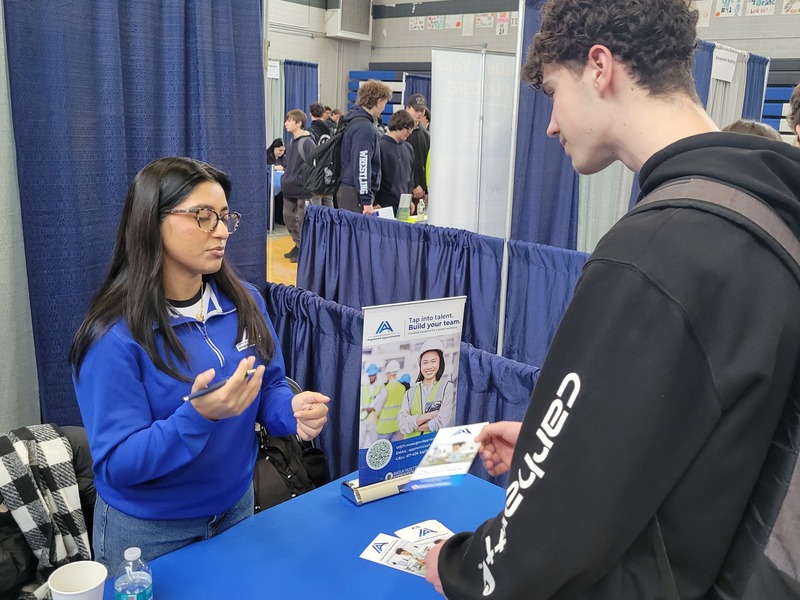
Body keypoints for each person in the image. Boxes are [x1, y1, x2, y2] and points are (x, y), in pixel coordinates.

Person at [424, 0, 800, 598]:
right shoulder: (767, 214)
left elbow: (542, 548)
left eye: (553, 90)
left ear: (599, 68)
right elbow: (712, 429)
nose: (550, 123)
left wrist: (458, 566)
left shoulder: (657, 249)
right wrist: (575, 438)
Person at [68, 157, 329, 568]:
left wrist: (288, 411)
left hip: (237, 508)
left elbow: (270, 385)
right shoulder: (113, 337)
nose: (221, 231)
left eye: (225, 217)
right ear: (152, 222)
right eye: (204, 217)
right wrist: (198, 417)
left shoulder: (246, 302)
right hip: (150, 533)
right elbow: (118, 464)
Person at [338, 79, 392, 214]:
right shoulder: (364, 128)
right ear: (379, 101)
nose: (384, 107)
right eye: (384, 103)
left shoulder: (353, 121)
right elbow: (362, 163)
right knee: (354, 234)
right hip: (354, 191)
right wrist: (366, 200)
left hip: (348, 187)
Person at [397, 338, 455, 438]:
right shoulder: (409, 393)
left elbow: (441, 422)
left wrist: (412, 425)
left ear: (440, 363)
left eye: (433, 361)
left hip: (432, 446)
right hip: (411, 447)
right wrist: (429, 416)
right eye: (425, 362)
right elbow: (402, 425)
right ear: (420, 365)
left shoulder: (446, 388)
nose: (429, 366)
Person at [282, 109, 316, 263]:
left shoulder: (308, 142)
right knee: (288, 217)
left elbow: (314, 165)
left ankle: (305, 249)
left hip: (303, 189)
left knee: (302, 221)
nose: (286, 124)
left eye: (289, 120)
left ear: (299, 123)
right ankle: (298, 244)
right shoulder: (291, 141)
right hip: (290, 187)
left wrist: (302, 180)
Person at [376, 110, 415, 217]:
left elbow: (410, 177)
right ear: (399, 125)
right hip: (384, 204)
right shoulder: (380, 147)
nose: (410, 132)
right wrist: (374, 202)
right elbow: (375, 176)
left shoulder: (409, 148)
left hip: (403, 205)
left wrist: (409, 199)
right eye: (408, 128)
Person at [405, 93, 431, 212]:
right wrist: (413, 185)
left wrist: (425, 189)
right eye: (416, 110)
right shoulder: (401, 133)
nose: (419, 113)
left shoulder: (426, 135)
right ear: (407, 108)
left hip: (421, 193)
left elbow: (427, 164)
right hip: (404, 190)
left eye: (422, 110)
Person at [375, 359, 406, 441]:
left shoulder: (386, 389)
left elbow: (377, 409)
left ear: (388, 374)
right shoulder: (402, 388)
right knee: (394, 450)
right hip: (396, 426)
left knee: (383, 452)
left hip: (384, 428)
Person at [359, 363, 385, 448]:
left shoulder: (380, 388)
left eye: (373, 375)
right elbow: (360, 401)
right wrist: (364, 409)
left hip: (373, 418)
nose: (371, 377)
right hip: (363, 417)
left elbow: (381, 402)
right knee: (360, 441)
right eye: (370, 375)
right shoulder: (364, 387)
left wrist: (374, 410)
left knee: (374, 441)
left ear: (376, 375)